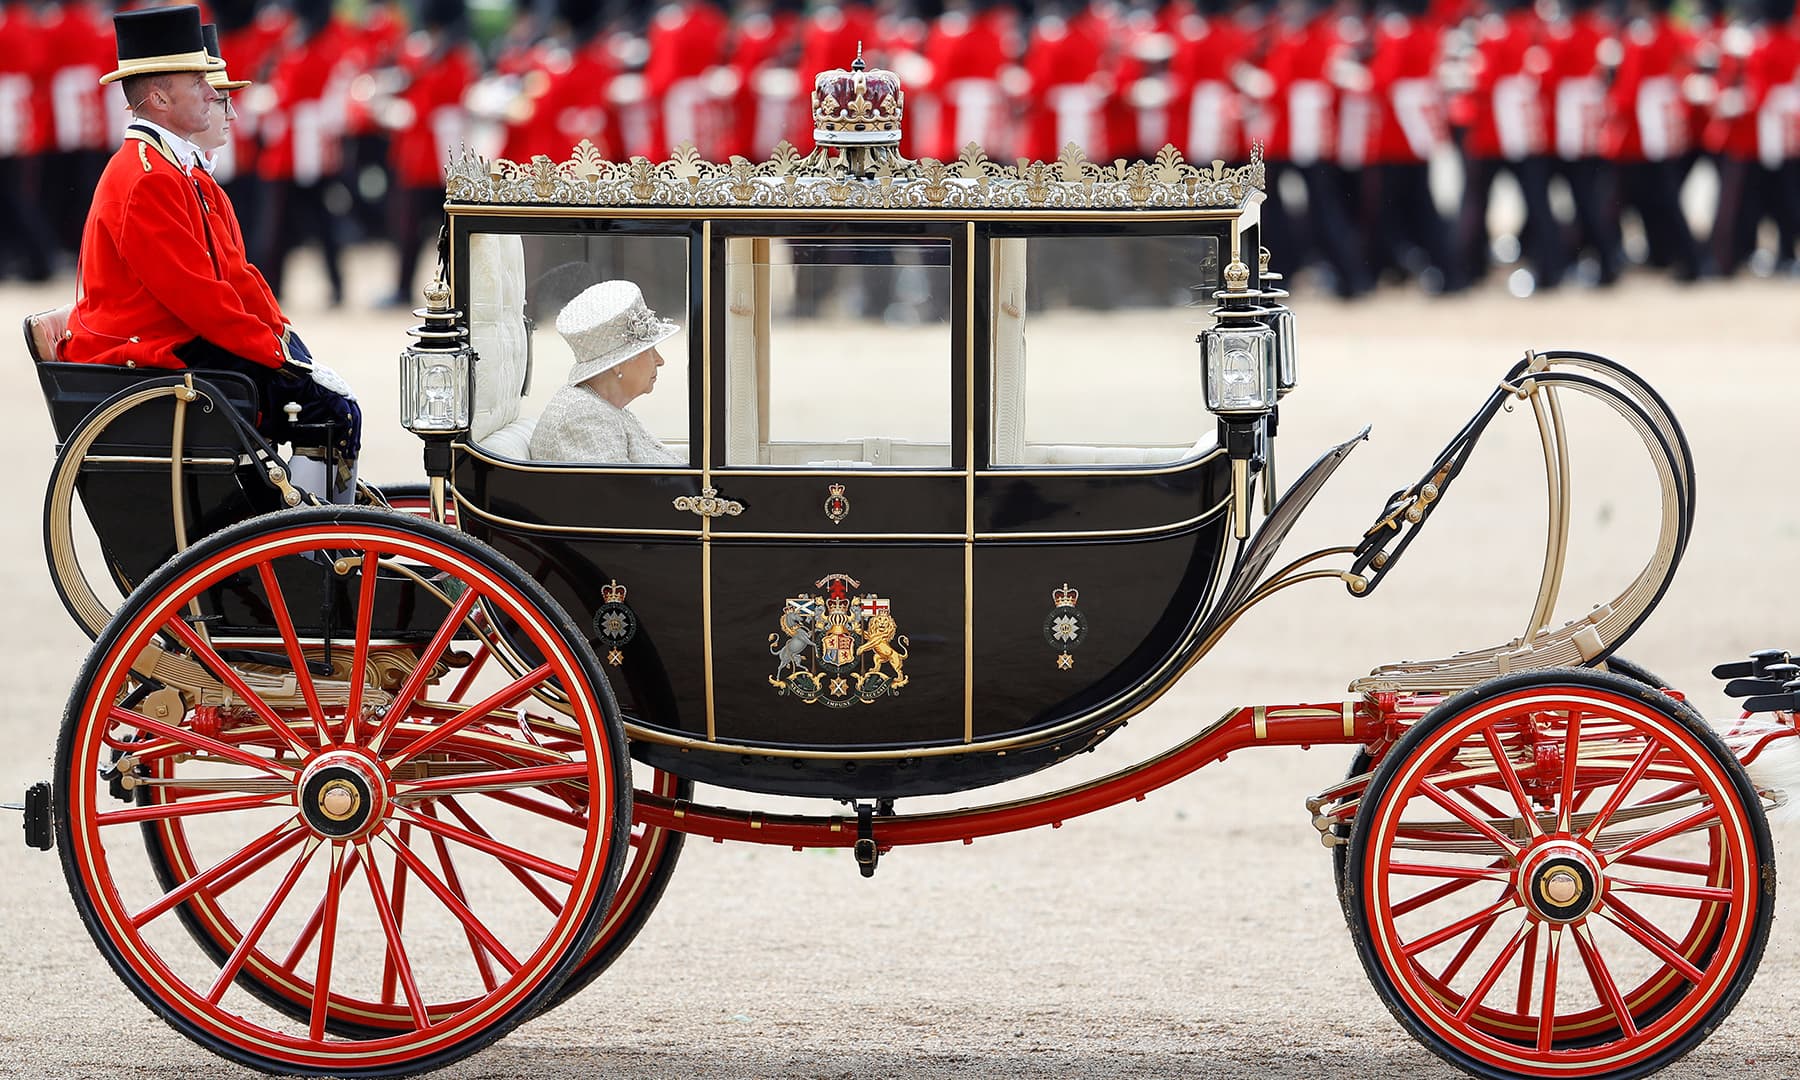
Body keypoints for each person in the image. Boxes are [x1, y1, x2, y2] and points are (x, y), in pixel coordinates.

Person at [63, 5, 360, 500]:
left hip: (177, 343)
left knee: (325, 401)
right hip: (155, 357)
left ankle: (306, 533)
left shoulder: (169, 169)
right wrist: (277, 357)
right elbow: (199, 298)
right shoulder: (149, 177)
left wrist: (285, 340)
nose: (212, 91)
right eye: (197, 80)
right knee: (330, 412)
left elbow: (235, 277)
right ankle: (310, 548)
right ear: (157, 96)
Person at [529, 281, 684, 465]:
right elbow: (619, 490)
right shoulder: (585, 416)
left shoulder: (603, 408)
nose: (660, 361)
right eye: (650, 350)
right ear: (618, 364)